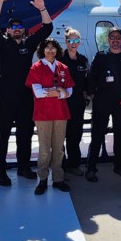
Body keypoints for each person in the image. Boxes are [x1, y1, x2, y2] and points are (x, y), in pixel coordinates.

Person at [0, 0, 53, 185]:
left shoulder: (28, 43)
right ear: (8, 30)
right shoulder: (1, 43)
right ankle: (0, 170)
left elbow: (48, 28)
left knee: (25, 133)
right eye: (13, 27)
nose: (17, 30)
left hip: (25, 95)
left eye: (19, 27)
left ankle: (24, 167)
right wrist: (1, 0)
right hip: (6, 95)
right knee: (3, 134)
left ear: (23, 30)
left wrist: (42, 8)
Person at [85, 27, 121, 182]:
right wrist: (93, 95)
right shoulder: (101, 57)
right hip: (103, 101)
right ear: (108, 40)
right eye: (112, 37)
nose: (115, 40)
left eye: (118, 37)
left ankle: (119, 165)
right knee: (97, 134)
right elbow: (91, 77)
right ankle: (91, 168)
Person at [26, 38, 75, 194]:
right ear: (42, 50)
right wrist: (59, 91)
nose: (50, 51)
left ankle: (58, 179)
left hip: (60, 113)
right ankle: (43, 179)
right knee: (45, 149)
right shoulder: (36, 68)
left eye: (53, 48)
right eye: (47, 48)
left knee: (59, 148)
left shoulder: (63, 68)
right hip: (43, 114)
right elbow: (38, 93)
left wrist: (58, 91)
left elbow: (70, 91)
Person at [61, 27, 89, 176]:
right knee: (60, 136)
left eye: (76, 40)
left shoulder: (83, 60)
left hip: (77, 103)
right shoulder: (60, 60)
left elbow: (86, 81)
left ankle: (74, 164)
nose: (73, 43)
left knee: (75, 134)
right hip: (61, 103)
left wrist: (85, 98)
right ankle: (60, 166)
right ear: (66, 42)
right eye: (70, 40)